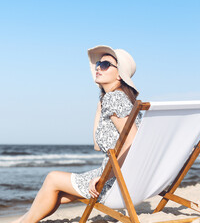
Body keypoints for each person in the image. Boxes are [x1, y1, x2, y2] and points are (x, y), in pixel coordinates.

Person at [11, 45, 142, 223]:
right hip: (126, 177)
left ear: (120, 75)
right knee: (55, 192)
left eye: (105, 65)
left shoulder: (115, 98)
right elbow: (98, 145)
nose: (98, 67)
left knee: (52, 178)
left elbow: (133, 141)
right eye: (98, 63)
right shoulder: (117, 99)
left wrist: (105, 176)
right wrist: (100, 105)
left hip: (115, 181)